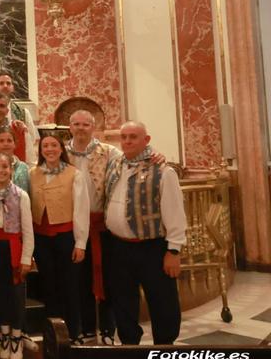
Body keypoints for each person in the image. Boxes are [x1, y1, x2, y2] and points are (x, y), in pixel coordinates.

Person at [105, 121, 186, 345]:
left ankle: (164, 347)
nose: (127, 141)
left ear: (146, 140)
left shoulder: (162, 170)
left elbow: (175, 212)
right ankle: (130, 346)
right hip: (119, 247)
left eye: (133, 137)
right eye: (124, 137)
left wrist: (174, 250)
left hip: (152, 248)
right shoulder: (114, 163)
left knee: (162, 301)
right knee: (123, 302)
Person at [67, 109, 121, 344]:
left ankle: (108, 329)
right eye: (76, 124)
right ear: (70, 127)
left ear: (93, 127)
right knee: (80, 280)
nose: (80, 128)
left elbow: (132, 158)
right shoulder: (61, 153)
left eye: (85, 124)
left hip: (102, 225)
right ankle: (88, 327)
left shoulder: (109, 152)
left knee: (107, 277)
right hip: (73, 227)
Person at [30, 134, 90, 341]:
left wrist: (80, 243)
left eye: (54, 145)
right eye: (45, 146)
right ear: (40, 150)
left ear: (61, 149)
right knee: (48, 286)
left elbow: (81, 209)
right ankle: (53, 332)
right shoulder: (32, 173)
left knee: (70, 286)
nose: (49, 149)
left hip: (66, 237)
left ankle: (74, 331)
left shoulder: (74, 174)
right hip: (41, 239)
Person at [0, 152, 34, 359]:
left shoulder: (21, 195)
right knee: (0, 293)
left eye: (5, 167)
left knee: (17, 294)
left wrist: (26, 258)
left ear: (11, 169)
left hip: (14, 247)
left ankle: (17, 337)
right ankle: (4, 334)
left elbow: (28, 230)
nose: (1, 171)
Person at [0, 72, 38, 165]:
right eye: (1, 83)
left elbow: (31, 140)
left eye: (8, 83)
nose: (5, 86)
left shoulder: (23, 113)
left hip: (18, 163)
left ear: (12, 88)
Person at [0, 127, 31, 193]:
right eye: (1, 141)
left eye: (9, 141)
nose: (6, 144)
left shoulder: (24, 168)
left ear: (15, 144)